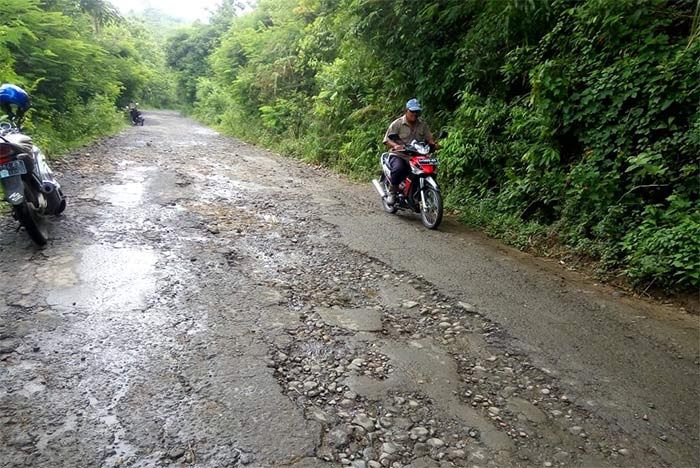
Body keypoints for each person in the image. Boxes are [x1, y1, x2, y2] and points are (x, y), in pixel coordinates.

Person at [382, 98, 437, 205]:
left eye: (417, 112)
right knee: (398, 169)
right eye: (412, 111)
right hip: (400, 155)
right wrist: (396, 145)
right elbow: (387, 140)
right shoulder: (397, 124)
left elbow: (429, 139)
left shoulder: (423, 125)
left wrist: (434, 144)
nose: (415, 114)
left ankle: (422, 193)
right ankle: (392, 192)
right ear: (406, 110)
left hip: (417, 155)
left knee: (431, 168)